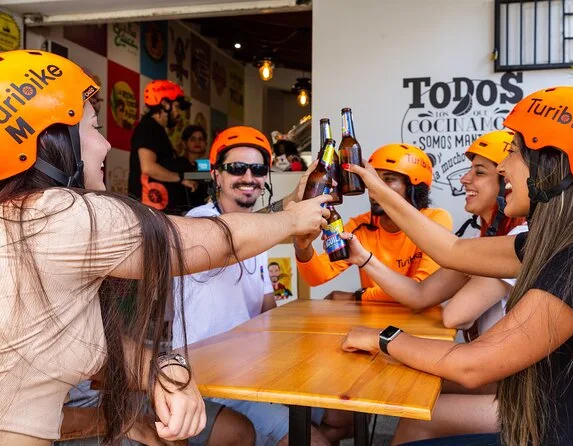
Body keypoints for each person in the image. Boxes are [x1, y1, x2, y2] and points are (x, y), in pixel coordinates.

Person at [0, 50, 331, 446]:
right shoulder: (60, 216)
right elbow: (217, 241)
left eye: (258, 170)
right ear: (50, 140)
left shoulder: (22, 221)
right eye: (94, 127)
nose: (106, 143)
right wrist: (292, 219)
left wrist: (162, 368)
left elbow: (85, 341)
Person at [340, 86, 573, 445]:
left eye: (512, 152)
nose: (502, 166)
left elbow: (472, 365)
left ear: (552, 165)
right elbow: (452, 250)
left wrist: (382, 337)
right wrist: (378, 188)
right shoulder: (564, 241)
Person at [340, 130, 526, 443]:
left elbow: (456, 316)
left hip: (531, 398)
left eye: (479, 172)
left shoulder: (519, 239)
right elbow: (420, 295)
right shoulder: (484, 240)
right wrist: (364, 259)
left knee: (418, 420)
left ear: (506, 183)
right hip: (503, 379)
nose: (464, 179)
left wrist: (381, 337)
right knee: (407, 379)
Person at [173, 126, 352, 446]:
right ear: (216, 176)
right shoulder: (198, 222)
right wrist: (291, 207)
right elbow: (229, 236)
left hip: (255, 371)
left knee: (341, 418)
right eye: (236, 168)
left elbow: (267, 309)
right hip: (213, 382)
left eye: (257, 169)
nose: (248, 177)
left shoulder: (258, 232)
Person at [295, 143, 453, 302]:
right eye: (372, 179)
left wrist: (357, 297)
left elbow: (423, 289)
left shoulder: (435, 220)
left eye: (388, 179)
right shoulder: (360, 226)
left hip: (423, 317)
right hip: (374, 316)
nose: (373, 188)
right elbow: (317, 277)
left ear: (414, 186)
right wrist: (302, 246)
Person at [127, 79, 196, 215]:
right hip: (148, 210)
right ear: (164, 104)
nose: (179, 113)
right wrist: (180, 178)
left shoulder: (156, 129)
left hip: (154, 209)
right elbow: (148, 167)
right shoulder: (148, 128)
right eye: (177, 107)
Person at [174, 124, 209, 210]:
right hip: (181, 211)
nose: (197, 142)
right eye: (193, 139)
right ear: (185, 143)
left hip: (202, 211)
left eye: (201, 139)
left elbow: (208, 177)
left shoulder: (204, 164)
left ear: (205, 144)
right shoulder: (178, 162)